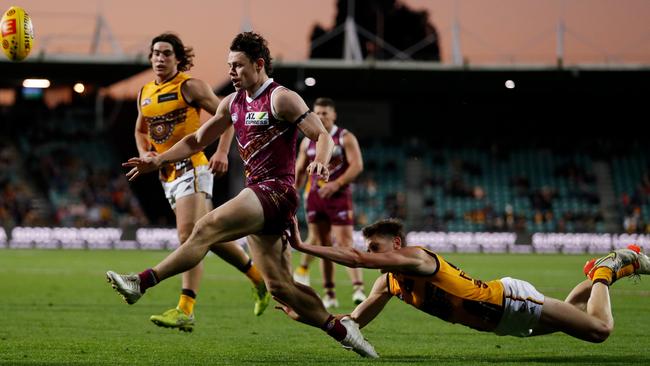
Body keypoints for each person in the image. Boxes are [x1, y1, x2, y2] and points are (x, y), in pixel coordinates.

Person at [107, 31, 378, 358]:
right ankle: (343, 330)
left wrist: (321, 160)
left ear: (259, 64)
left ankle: (142, 282)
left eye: (237, 66)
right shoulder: (232, 102)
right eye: (229, 66)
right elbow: (196, 140)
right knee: (281, 288)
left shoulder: (281, 98)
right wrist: (159, 159)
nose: (231, 72)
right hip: (260, 197)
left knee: (204, 227)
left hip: (276, 190)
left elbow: (322, 136)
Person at [286, 217, 650, 347]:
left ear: (396, 244)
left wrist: (303, 245)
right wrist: (309, 316)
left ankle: (608, 268)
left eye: (376, 246)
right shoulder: (389, 284)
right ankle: (595, 276)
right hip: (500, 323)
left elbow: (358, 259)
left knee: (599, 331)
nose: (371, 253)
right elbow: (353, 324)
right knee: (572, 313)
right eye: (370, 247)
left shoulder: (416, 257)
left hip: (509, 302)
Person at [133, 33, 270, 332]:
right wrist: (146, 154)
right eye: (155, 53)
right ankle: (260, 279)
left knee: (188, 236)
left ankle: (185, 308)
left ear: (178, 58)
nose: (160, 58)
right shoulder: (144, 92)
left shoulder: (189, 86)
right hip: (166, 174)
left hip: (192, 167)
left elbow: (229, 114)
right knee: (209, 235)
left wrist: (222, 152)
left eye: (167, 53)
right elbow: (141, 130)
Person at [292, 97, 366, 308]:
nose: (321, 116)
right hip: (315, 197)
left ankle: (358, 288)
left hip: (339, 196)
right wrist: (294, 191)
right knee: (322, 245)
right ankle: (330, 294)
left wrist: (337, 184)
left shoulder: (344, 137)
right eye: (318, 113)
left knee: (344, 243)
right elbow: (299, 169)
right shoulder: (308, 141)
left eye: (325, 113)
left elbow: (357, 165)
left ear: (334, 115)